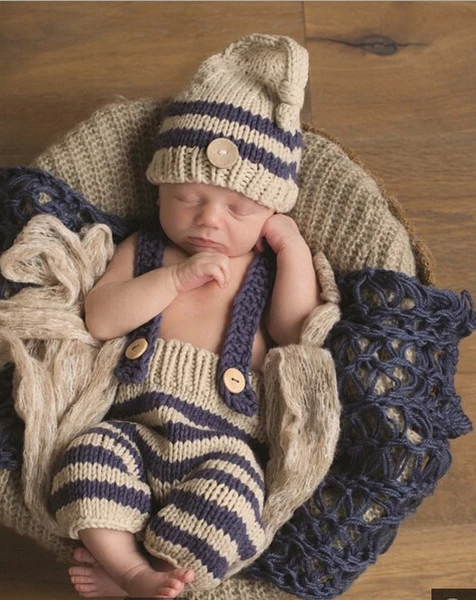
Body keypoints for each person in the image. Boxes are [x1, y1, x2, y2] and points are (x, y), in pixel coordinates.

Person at [49, 34, 316, 598]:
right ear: (159, 191)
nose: (209, 220)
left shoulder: (265, 266)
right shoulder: (147, 250)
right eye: (187, 198)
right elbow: (100, 318)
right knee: (85, 460)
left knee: (236, 504)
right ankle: (129, 570)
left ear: (271, 211)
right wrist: (172, 280)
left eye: (239, 208)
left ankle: (165, 575)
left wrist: (292, 249)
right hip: (135, 427)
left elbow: (296, 334)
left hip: (225, 444)